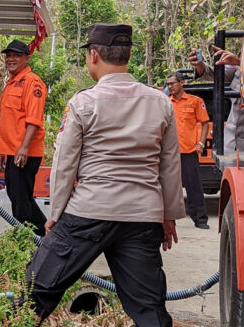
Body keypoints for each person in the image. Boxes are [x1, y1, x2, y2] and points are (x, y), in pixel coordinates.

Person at [26, 23, 184, 326]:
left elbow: (64, 165)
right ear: (126, 55)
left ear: (94, 55)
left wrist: (55, 214)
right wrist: (168, 216)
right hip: (143, 215)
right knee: (149, 307)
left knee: (38, 290)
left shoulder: (83, 102)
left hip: (89, 211)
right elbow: (169, 165)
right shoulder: (161, 102)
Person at [0, 40, 48, 237]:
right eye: (9, 55)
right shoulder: (12, 82)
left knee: (21, 200)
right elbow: (9, 121)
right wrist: (2, 150)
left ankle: (25, 241)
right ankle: (46, 236)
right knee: (18, 197)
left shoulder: (32, 82)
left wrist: (24, 148)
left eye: (16, 55)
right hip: (12, 151)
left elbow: (34, 120)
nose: (11, 59)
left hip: (25, 152)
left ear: (27, 58)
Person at [166, 72, 210, 229]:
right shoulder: (165, 103)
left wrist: (201, 143)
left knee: (194, 187)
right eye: (168, 84)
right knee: (168, 187)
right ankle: (168, 220)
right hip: (169, 153)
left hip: (188, 152)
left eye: (173, 83)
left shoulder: (195, 101)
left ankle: (201, 219)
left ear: (182, 83)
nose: (170, 86)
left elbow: (205, 122)